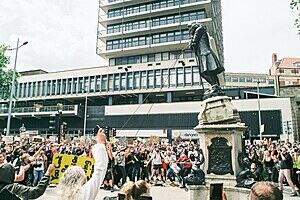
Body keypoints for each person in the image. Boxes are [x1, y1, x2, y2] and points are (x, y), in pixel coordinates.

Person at [58, 128, 109, 200]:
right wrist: (100, 143)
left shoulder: (62, 195)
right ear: (81, 178)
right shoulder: (84, 193)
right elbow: (100, 171)